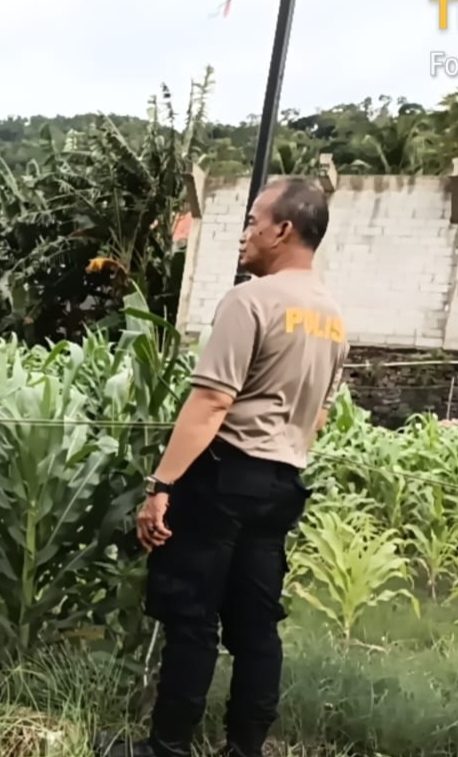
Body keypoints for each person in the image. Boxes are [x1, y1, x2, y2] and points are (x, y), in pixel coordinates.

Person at [95, 178, 349, 757]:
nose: (244, 234)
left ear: (283, 230)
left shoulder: (250, 300)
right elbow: (319, 415)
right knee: (257, 626)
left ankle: (167, 747)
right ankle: (245, 747)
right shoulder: (333, 318)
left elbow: (211, 401)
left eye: (254, 222)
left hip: (223, 477)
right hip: (282, 483)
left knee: (192, 616)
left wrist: (162, 485)